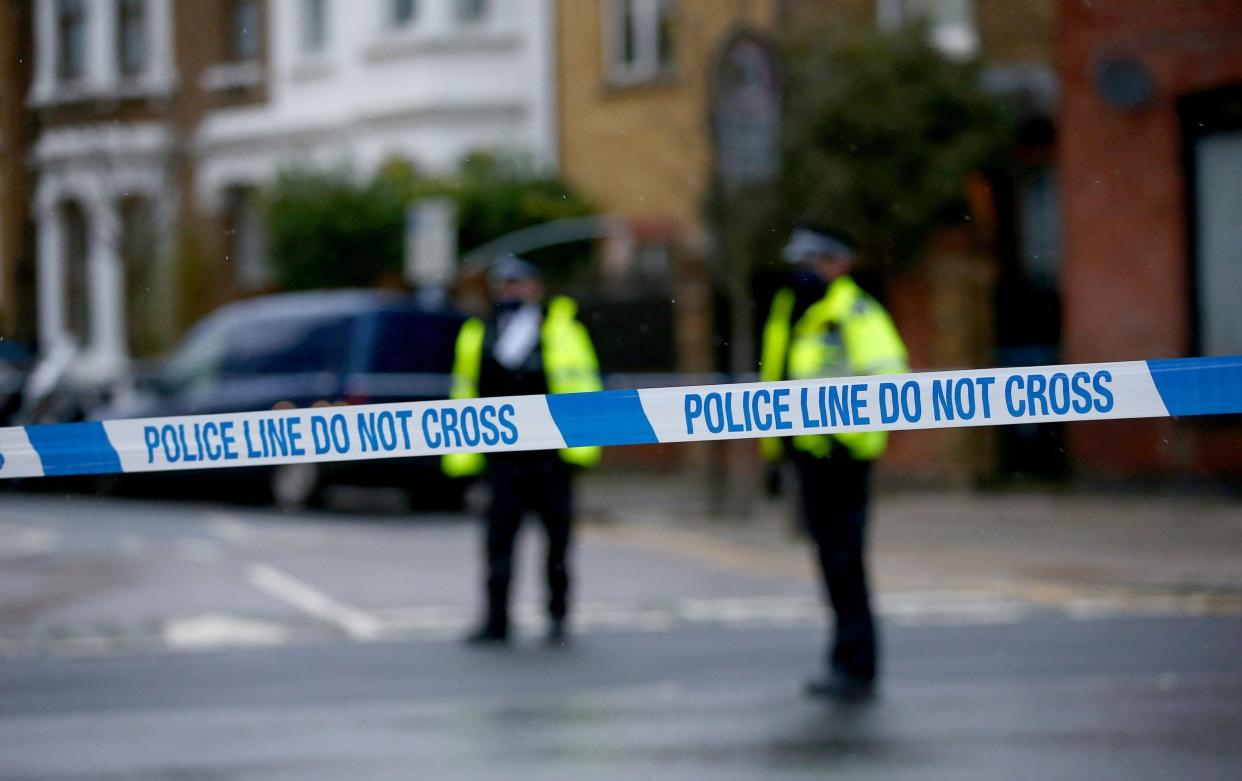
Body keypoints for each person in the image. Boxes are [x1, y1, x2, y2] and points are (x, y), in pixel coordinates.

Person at [759, 225, 908, 700]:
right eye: (800, 264)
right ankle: (846, 659)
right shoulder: (793, 309)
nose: (805, 272)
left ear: (839, 264)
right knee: (831, 563)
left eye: (815, 263)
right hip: (808, 458)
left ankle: (856, 664)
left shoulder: (854, 311)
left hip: (843, 460)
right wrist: (775, 450)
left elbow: (890, 379)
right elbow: (777, 380)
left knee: (845, 563)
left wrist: (854, 439)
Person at [443, 256, 602, 646]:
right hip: (502, 459)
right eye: (504, 284)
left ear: (536, 287)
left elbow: (584, 388)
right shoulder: (478, 332)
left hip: (551, 457)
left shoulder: (563, 329)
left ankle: (558, 619)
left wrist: (580, 452)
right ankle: (496, 621)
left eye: (519, 283)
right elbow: (464, 392)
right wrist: (463, 458)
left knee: (558, 545)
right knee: (498, 543)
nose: (511, 291)